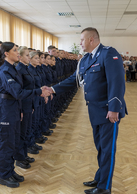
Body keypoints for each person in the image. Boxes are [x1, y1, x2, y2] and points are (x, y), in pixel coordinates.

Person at [46, 27, 127, 194]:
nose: (79, 43)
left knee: (107, 149)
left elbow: (117, 82)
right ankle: (100, 178)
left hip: (107, 112)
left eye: (82, 40)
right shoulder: (85, 59)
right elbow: (74, 80)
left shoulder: (108, 53)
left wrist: (114, 109)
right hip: (95, 111)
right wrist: (53, 90)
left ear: (92, 39)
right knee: (100, 148)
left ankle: (104, 188)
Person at [0, 42, 50, 188]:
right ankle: (4, 176)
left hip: (14, 111)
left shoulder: (13, 69)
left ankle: (10, 171)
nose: (18, 53)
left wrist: (21, 111)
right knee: (6, 146)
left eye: (18, 50)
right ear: (6, 53)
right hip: (5, 113)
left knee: (13, 144)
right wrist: (39, 91)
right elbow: (17, 92)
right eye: (15, 50)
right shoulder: (5, 71)